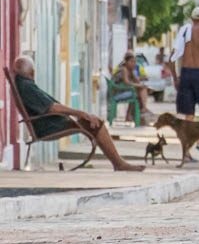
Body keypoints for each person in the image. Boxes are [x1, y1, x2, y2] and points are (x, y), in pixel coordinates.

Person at [10, 56, 144, 172]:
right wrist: (79, 113)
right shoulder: (26, 86)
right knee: (96, 123)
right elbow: (51, 108)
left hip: (49, 123)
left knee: (93, 121)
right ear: (32, 72)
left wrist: (78, 114)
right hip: (49, 126)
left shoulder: (22, 83)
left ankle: (119, 163)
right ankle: (119, 164)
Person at [115, 51, 152, 117]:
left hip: (125, 90)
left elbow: (137, 81)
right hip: (118, 92)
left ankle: (135, 113)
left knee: (141, 89)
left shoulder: (130, 70)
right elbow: (126, 82)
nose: (134, 63)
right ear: (126, 62)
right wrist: (138, 85)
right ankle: (143, 109)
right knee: (141, 90)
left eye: (135, 62)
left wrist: (132, 72)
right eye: (132, 61)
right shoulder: (124, 69)